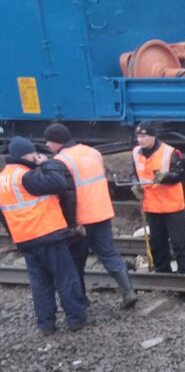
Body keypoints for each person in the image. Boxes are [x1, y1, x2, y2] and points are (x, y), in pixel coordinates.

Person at [0, 136, 87, 334]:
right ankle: (76, 319)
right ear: (27, 154)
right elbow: (58, 183)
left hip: (25, 239)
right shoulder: (25, 176)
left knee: (40, 283)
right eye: (33, 153)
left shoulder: (3, 178)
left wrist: (15, 236)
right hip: (47, 234)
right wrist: (47, 164)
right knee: (66, 277)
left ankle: (46, 325)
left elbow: (3, 216)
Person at [45, 123, 137, 308]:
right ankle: (128, 292)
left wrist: (70, 224)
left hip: (82, 219)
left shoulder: (61, 161)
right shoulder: (92, 152)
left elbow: (68, 196)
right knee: (108, 253)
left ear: (57, 142)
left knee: (76, 260)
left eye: (48, 141)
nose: (47, 145)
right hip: (102, 212)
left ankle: (81, 300)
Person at [131, 121, 185, 274]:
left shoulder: (169, 152)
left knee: (180, 242)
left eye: (144, 136)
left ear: (153, 136)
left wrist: (165, 177)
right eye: (138, 136)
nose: (140, 140)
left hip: (171, 206)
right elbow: (134, 173)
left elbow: (180, 175)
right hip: (151, 206)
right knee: (157, 243)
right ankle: (162, 273)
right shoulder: (136, 153)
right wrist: (135, 184)